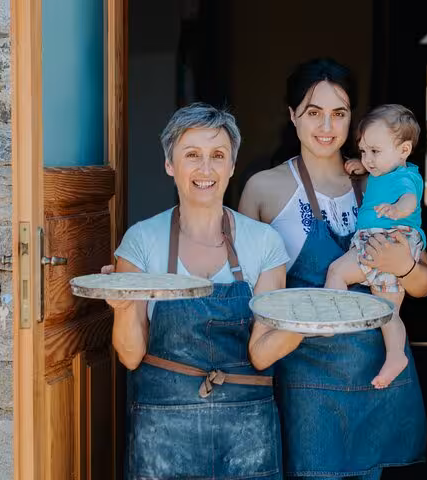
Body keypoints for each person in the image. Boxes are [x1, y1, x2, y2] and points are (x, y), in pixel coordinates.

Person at [239, 59, 427, 480]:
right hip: (307, 387)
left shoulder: (378, 179)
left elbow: (424, 285)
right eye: (313, 112)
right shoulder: (263, 189)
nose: (327, 126)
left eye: (340, 113)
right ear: (292, 115)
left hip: (380, 376)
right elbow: (244, 298)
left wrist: (402, 266)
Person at [106, 103, 290, 479]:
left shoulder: (264, 243)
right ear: (170, 164)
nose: (206, 169)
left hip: (248, 434)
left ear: (232, 166)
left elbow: (261, 354)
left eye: (217, 156)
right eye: (192, 155)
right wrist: (123, 308)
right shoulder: (141, 241)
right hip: (163, 432)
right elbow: (129, 355)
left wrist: (305, 323)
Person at [324, 104, 426, 389]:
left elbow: (410, 199)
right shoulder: (381, 173)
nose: (367, 158)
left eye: (375, 152)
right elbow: (376, 177)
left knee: (337, 272)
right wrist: (362, 167)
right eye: (363, 150)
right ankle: (395, 356)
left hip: (387, 240)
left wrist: (396, 210)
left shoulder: (406, 177)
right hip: (387, 242)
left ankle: (332, 321)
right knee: (388, 311)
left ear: (404, 150)